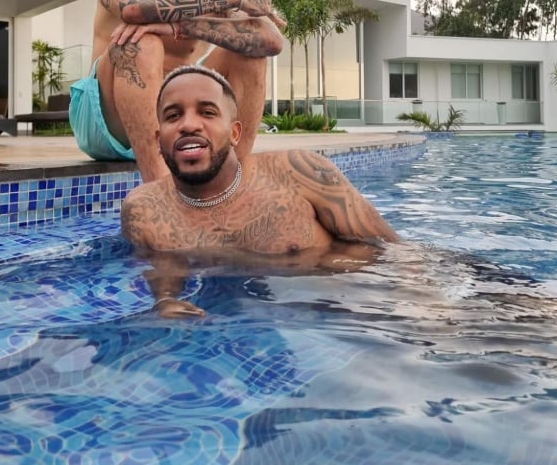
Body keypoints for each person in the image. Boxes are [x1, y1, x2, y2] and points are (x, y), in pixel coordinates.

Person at [121, 64, 399, 316]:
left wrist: (421, 303)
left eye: (207, 112)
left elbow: (391, 249)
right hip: (234, 316)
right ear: (159, 140)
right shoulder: (143, 208)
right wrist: (165, 301)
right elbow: (161, 266)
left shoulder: (299, 172)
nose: (189, 125)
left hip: (350, 301)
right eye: (173, 116)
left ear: (234, 133)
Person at [69, 0, 284, 182]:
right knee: (142, 41)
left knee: (250, 53)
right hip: (105, 121)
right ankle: (162, 191)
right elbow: (130, 6)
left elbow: (271, 40)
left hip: (177, 116)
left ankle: (233, 181)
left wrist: (181, 25)